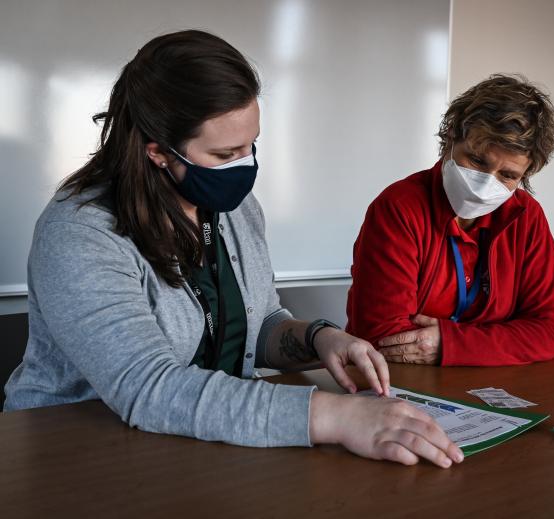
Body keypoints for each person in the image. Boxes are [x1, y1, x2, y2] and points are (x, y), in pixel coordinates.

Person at [3, 30, 463, 468]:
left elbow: (256, 324)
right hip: (73, 455)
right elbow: (147, 388)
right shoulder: (80, 232)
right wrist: (335, 416)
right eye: (225, 156)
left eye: (251, 146)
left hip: (198, 446)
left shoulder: (234, 209)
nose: (245, 167)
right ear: (158, 151)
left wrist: (319, 337)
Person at [347, 74, 554, 366]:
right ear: (452, 137)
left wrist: (449, 343)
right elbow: (385, 338)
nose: (483, 186)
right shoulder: (399, 207)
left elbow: (552, 329)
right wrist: (502, 342)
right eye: (477, 161)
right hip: (394, 384)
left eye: (508, 175)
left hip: (488, 387)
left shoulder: (527, 217)